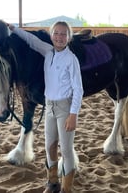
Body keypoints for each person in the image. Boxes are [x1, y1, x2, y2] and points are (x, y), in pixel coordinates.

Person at [7, 21, 83, 193]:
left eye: (64, 34)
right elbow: (31, 40)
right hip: (49, 107)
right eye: (56, 33)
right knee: (50, 146)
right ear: (51, 36)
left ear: (69, 37)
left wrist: (73, 114)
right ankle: (53, 182)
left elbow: (78, 89)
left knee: (66, 149)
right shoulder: (48, 52)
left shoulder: (72, 59)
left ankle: (66, 189)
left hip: (65, 107)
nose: (59, 37)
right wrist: (14, 29)